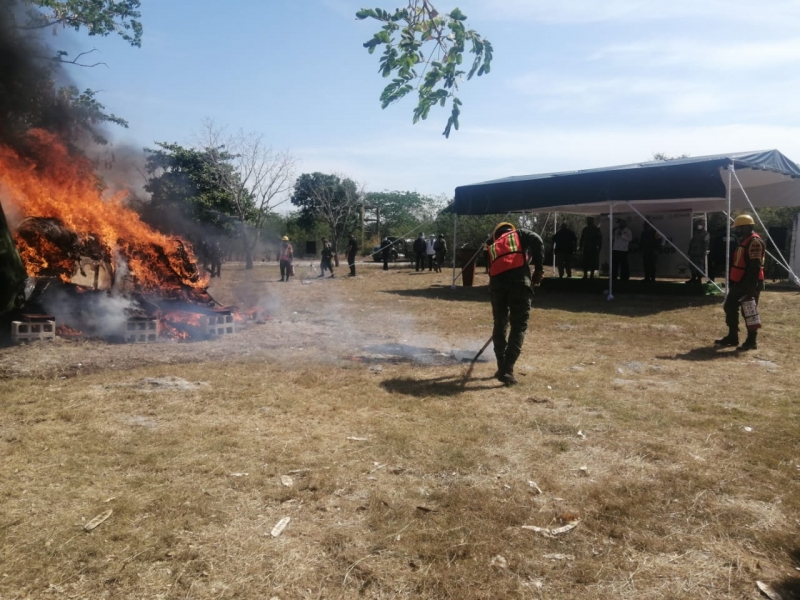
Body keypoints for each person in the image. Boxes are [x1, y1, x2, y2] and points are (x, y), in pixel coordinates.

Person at [487, 222, 544, 386]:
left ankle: (501, 367)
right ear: (510, 230)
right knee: (518, 326)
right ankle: (507, 370)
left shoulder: (493, 246)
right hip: (519, 283)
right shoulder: (519, 234)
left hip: (497, 287)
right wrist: (539, 269)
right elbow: (538, 240)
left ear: (497, 234)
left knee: (500, 324)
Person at [714, 214, 765, 351]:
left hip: (748, 283)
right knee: (730, 306)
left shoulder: (754, 242)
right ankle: (732, 336)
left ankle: (751, 341)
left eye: (739, 228)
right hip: (739, 282)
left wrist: (750, 288)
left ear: (747, 227)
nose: (737, 231)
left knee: (749, 311)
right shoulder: (745, 240)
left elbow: (754, 267)